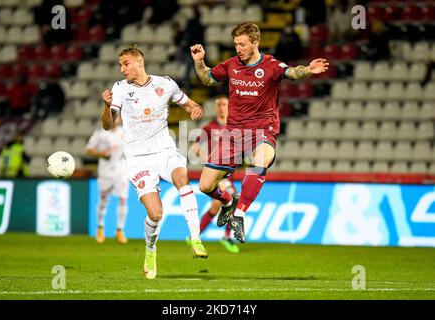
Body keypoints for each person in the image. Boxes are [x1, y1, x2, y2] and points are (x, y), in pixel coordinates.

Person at [190, 22, 329, 243]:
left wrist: (309, 70)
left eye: (242, 44)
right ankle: (228, 201)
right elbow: (207, 78)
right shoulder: (231, 65)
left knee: (261, 159)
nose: (238, 49)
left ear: (255, 43)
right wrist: (199, 63)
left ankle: (239, 214)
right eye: (236, 44)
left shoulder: (270, 65)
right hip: (234, 134)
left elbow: (292, 72)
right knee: (205, 185)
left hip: (263, 129)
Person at [101, 45, 207, 280]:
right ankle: (150, 250)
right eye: (120, 64)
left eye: (125, 63)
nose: (122, 69)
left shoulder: (165, 84)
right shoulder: (120, 89)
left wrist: (195, 109)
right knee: (156, 213)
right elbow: (108, 125)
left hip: (164, 149)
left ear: (140, 62)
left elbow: (189, 105)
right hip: (138, 158)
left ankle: (196, 238)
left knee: (182, 179)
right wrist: (107, 106)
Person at [189, 95, 240, 253]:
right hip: (216, 172)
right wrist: (207, 160)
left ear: (229, 106)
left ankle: (195, 235)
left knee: (216, 205)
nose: (221, 107)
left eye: (224, 104)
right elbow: (195, 148)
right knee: (232, 199)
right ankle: (225, 237)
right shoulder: (209, 127)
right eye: (218, 104)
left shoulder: (234, 126)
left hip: (229, 172)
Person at [85, 115, 129, 245]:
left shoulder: (125, 132)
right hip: (105, 171)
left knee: (122, 199)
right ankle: (100, 228)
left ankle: (120, 230)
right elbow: (88, 150)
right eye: (112, 118)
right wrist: (100, 154)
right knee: (103, 200)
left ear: (120, 119)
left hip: (121, 170)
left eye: (117, 118)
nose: (115, 120)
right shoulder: (100, 133)